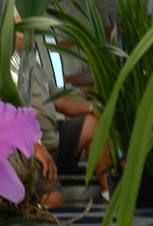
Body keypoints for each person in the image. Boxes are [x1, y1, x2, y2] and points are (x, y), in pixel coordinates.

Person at [16, 34, 112, 207]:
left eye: (30, 31)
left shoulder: (34, 65)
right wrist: (36, 147)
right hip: (30, 149)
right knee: (53, 201)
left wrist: (96, 108)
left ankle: (108, 196)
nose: (27, 35)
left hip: (54, 138)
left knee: (95, 123)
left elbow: (61, 102)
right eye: (21, 30)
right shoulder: (5, 68)